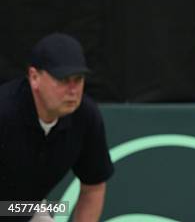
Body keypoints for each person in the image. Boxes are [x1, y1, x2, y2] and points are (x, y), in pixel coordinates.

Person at [0, 33, 114, 222]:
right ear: (34, 77)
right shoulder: (4, 112)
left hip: (19, 208)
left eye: (78, 79)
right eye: (63, 80)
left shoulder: (86, 117)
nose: (72, 90)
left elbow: (93, 187)